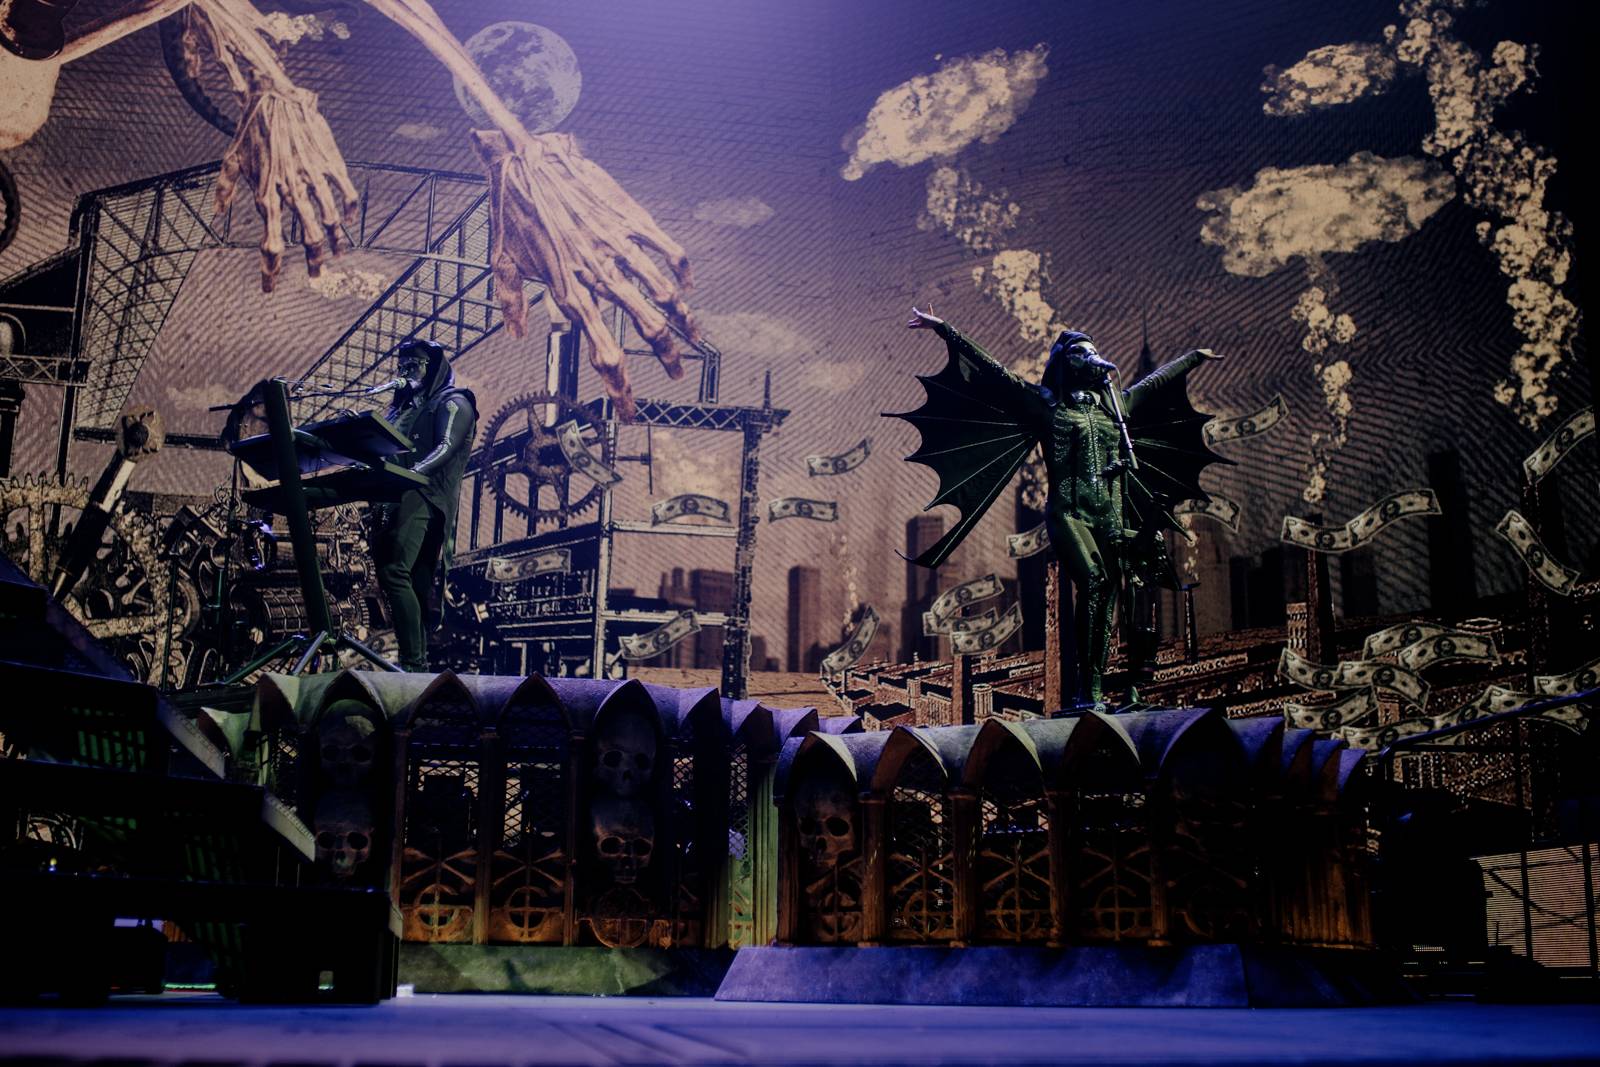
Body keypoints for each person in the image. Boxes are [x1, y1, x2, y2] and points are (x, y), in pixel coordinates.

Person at [895, 307, 1226, 708]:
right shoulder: (1047, 405)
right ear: (1064, 362)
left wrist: (1193, 357)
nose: (1091, 359)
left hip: (1110, 515)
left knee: (1109, 595)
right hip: (1069, 514)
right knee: (1094, 581)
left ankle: (1098, 688)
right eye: (1080, 353)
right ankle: (1089, 691)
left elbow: (1154, 383)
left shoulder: (1114, 407)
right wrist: (946, 330)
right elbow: (995, 373)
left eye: (1093, 352)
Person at [371, 339, 476, 672]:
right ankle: (416, 665)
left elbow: (447, 445)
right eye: (401, 366)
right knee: (411, 580)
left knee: (395, 572)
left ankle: (412, 663)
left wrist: (411, 475)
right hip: (395, 495)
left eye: (413, 365)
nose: (405, 372)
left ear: (433, 368)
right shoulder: (401, 408)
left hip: (423, 495)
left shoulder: (453, 401)